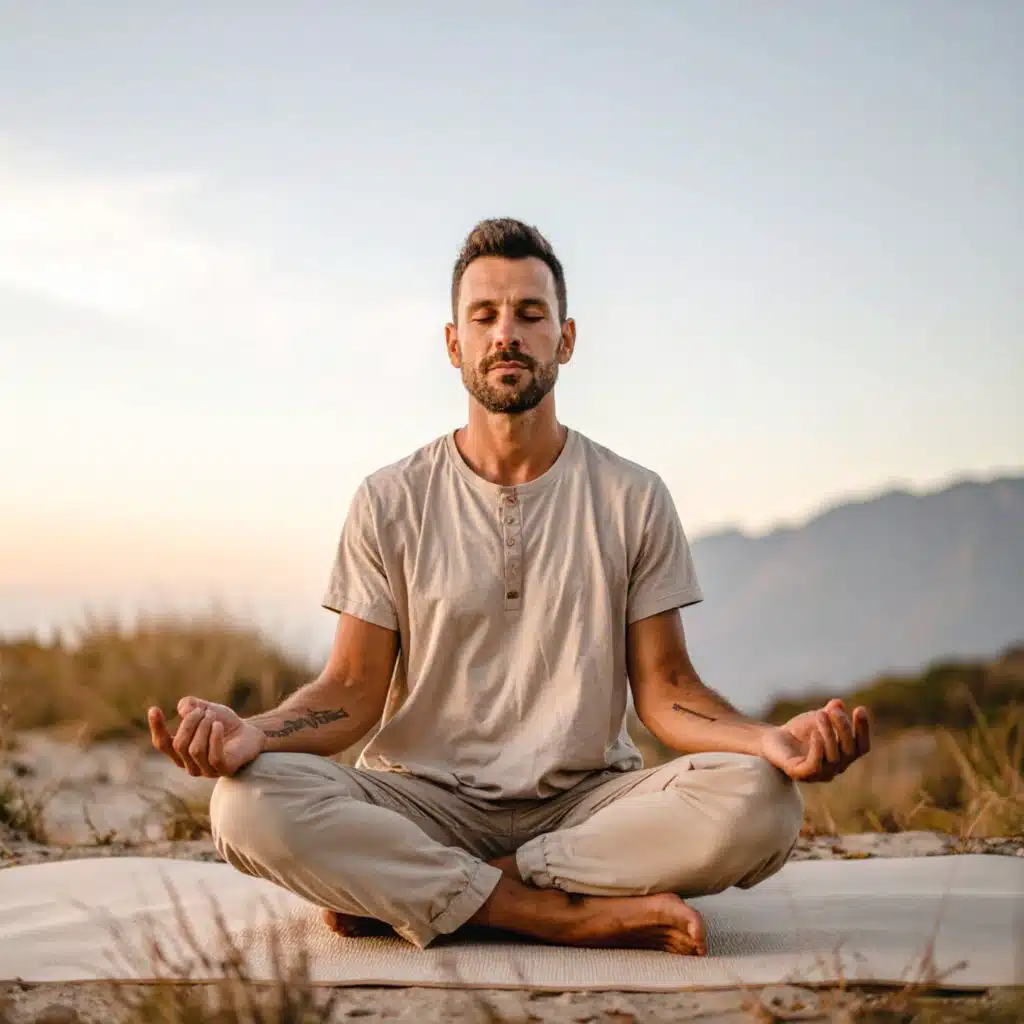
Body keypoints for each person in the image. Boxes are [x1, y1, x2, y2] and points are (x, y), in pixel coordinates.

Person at [148, 218, 871, 956]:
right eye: (484, 316)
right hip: (421, 800)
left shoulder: (632, 496)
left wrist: (767, 741)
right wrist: (256, 734)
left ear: (566, 339)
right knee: (246, 805)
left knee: (762, 802)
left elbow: (668, 691)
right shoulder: (390, 499)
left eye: (530, 314)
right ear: (454, 343)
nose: (507, 335)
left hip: (586, 806)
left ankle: (445, 890)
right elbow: (349, 692)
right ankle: (557, 914)